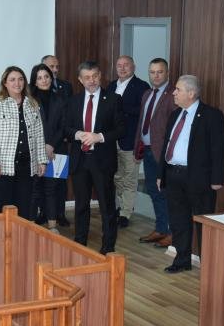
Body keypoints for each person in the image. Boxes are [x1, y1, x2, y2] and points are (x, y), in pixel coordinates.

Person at [157, 75, 224, 273]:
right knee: (178, 220)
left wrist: (217, 179)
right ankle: (182, 260)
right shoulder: (175, 115)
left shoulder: (212, 115)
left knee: (203, 222)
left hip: (199, 178)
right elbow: (166, 146)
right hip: (173, 174)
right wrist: (161, 174)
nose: (174, 93)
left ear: (191, 93)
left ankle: (207, 265)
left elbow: (219, 149)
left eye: (178, 89)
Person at [65, 61, 124, 254]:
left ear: (100, 76)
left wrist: (100, 137)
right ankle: (80, 242)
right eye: (87, 77)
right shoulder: (73, 101)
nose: (92, 81)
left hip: (103, 161)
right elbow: (66, 128)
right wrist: (77, 134)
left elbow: (121, 129)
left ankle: (108, 246)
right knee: (81, 205)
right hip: (80, 160)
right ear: (80, 80)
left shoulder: (113, 99)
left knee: (107, 206)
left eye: (95, 76)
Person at [0, 66, 47, 219]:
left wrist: (42, 160)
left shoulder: (32, 104)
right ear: (5, 83)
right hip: (2, 166)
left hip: (26, 166)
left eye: (20, 79)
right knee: (1, 208)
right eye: (12, 80)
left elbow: (39, 134)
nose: (17, 83)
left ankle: (19, 235)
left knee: (23, 209)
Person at [105, 56, 150, 228]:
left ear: (133, 67)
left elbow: (144, 111)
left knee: (130, 178)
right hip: (112, 140)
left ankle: (126, 212)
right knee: (117, 176)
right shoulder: (111, 86)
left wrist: (120, 106)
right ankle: (121, 206)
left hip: (130, 139)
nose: (122, 68)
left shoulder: (141, 86)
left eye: (126, 65)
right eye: (119, 65)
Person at [135, 58, 177, 247]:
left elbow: (174, 126)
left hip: (163, 152)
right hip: (147, 150)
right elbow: (142, 121)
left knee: (166, 192)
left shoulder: (172, 95)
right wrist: (137, 146)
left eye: (160, 72)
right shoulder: (147, 94)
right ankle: (161, 228)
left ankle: (172, 233)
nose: (156, 76)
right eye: (152, 72)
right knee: (153, 190)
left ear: (167, 73)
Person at [29, 64, 69, 233]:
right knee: (34, 188)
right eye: (39, 78)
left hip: (57, 150)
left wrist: (51, 144)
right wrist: (42, 147)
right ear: (34, 81)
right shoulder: (28, 101)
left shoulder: (61, 99)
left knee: (52, 188)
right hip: (34, 150)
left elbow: (64, 126)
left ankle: (53, 226)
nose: (44, 80)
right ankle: (31, 223)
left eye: (46, 76)